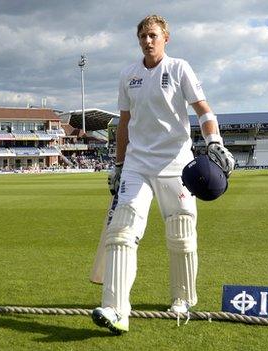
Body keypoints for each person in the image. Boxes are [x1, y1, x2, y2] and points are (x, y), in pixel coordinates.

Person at [91, 15, 235, 334]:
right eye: (143, 36)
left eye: (153, 35)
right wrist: (117, 166)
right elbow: (124, 125)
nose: (148, 40)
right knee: (122, 232)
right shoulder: (128, 74)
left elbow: (204, 110)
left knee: (181, 232)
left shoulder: (180, 68)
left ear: (166, 38)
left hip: (176, 162)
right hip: (137, 164)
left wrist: (214, 142)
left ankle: (182, 299)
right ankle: (116, 310)